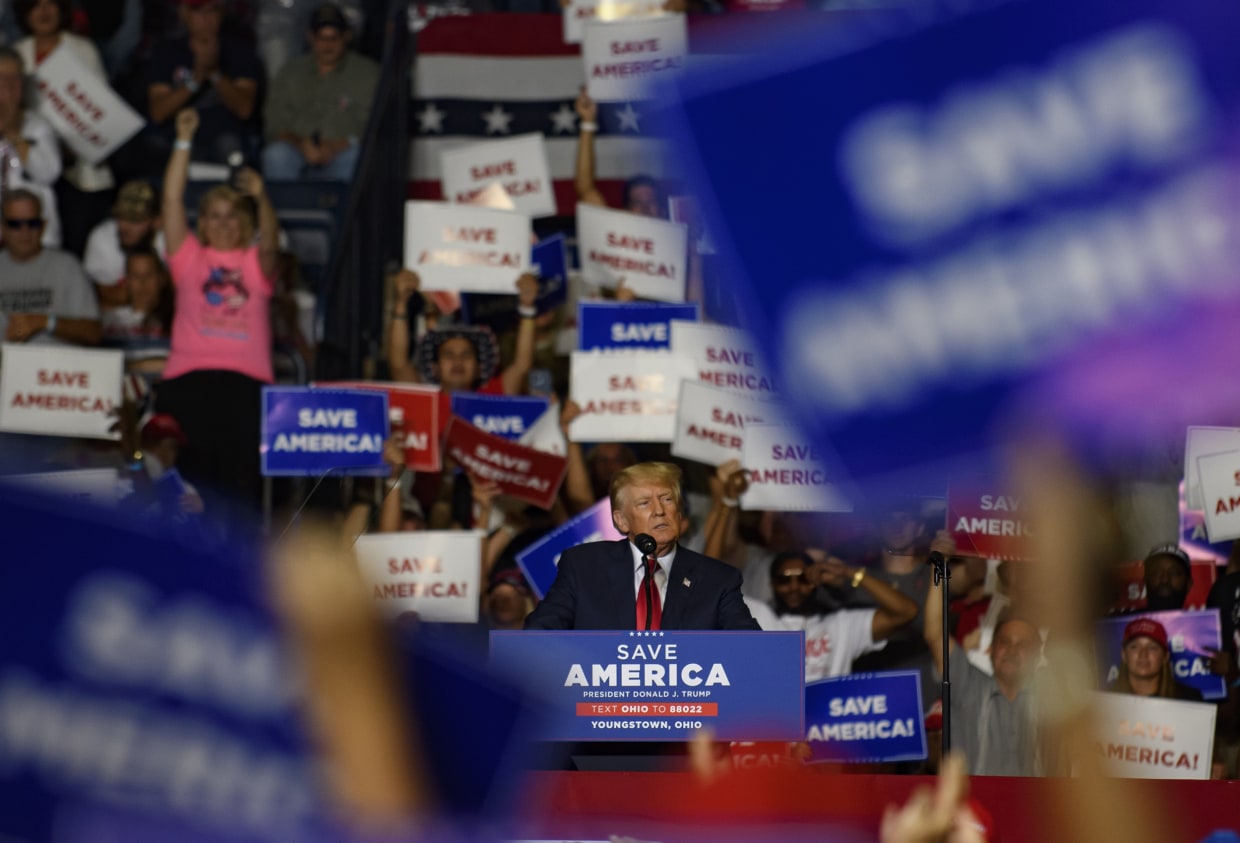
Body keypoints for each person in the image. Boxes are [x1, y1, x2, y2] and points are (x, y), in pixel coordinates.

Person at [154, 107, 275, 516]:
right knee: (188, 495)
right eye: (213, 216)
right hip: (188, 384)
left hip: (245, 388)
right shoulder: (188, 259)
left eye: (231, 216)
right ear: (201, 224)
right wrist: (183, 140)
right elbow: (171, 198)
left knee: (240, 499)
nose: (223, 224)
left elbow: (271, 244)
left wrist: (261, 197)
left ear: (244, 223)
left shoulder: (255, 265)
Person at [525, 461, 760, 630]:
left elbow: (753, 649)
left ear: (679, 513)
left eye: (667, 499)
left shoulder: (717, 579)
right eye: (645, 503)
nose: (659, 510)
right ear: (621, 520)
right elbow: (538, 634)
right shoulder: (584, 566)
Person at [924, 560, 1044, 776]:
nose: (1011, 651)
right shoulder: (967, 684)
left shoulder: (1048, 703)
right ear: (991, 649)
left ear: (1037, 657)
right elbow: (934, 633)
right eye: (1004, 642)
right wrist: (938, 564)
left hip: (1027, 807)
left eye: (1022, 645)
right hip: (973, 805)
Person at [13, 0, 115, 253]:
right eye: (36, 6)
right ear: (25, 14)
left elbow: (102, 112)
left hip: (83, 168)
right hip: (33, 165)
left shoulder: (83, 50)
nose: (45, 12)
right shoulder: (16, 53)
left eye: (51, 5)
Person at [749, 550, 919, 681]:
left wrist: (849, 573)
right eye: (784, 580)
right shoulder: (760, 618)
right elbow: (720, 580)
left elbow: (906, 612)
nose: (794, 587)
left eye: (803, 579)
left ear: (816, 582)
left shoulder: (840, 625)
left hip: (829, 722)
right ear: (772, 584)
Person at [262, 2, 377, 181]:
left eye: (334, 38)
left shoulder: (367, 73)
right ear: (310, 37)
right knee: (276, 155)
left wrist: (334, 147)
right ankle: (282, 208)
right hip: (297, 151)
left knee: (359, 157)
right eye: (321, 38)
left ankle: (350, 209)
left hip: (342, 153)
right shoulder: (290, 71)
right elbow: (274, 126)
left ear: (346, 36)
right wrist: (302, 144)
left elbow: (374, 128)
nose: (327, 45)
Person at [147, 0, 262, 165]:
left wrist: (214, 73)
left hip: (226, 137)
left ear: (222, 14)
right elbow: (158, 113)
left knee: (230, 147)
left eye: (213, 10)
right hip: (180, 135)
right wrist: (196, 80)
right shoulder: (167, 51)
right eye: (198, 10)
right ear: (184, 13)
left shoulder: (239, 51)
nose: (206, 18)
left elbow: (244, 109)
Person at [0, 187, 100, 346]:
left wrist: (46, 322)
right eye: (15, 224)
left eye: (32, 223)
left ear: (44, 226)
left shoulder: (68, 267)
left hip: (56, 367)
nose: (24, 231)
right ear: (3, 228)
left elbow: (93, 332)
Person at [0, 45, 61, 246]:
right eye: (3, 79)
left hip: (36, 240)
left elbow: (49, 172)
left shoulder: (37, 125)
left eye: (16, 79)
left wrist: (13, 134)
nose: (10, 87)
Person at [83, 180, 165, 306]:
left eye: (135, 220)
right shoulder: (102, 238)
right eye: (120, 216)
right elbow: (99, 296)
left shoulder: (167, 240)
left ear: (157, 221)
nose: (124, 227)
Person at [1109, 617, 1204, 701]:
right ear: (1124, 655)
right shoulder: (1104, 704)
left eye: (1152, 648)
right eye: (1135, 647)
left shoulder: (1190, 700)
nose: (1143, 654)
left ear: (1165, 657)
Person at [1140, 543, 1193, 612]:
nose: (1165, 580)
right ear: (1145, 580)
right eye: (1157, 573)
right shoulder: (1126, 621)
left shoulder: (1204, 621)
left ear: (1188, 584)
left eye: (1174, 573)